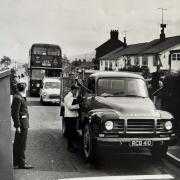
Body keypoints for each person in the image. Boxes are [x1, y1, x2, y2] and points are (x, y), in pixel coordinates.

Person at [11, 82, 33, 169]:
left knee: (17, 144)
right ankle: (22, 163)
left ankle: (16, 162)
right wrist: (18, 126)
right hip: (22, 125)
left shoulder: (19, 96)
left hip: (23, 124)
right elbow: (15, 113)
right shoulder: (18, 98)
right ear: (24, 89)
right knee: (22, 144)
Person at [64, 84, 80, 152]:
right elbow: (70, 107)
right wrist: (78, 106)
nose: (76, 91)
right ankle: (69, 147)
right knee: (70, 133)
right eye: (76, 90)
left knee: (72, 132)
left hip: (72, 116)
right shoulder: (69, 97)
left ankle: (71, 146)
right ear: (73, 90)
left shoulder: (72, 96)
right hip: (70, 117)